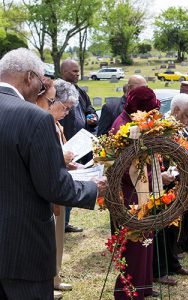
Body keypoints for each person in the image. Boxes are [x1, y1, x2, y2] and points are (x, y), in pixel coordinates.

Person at [0, 48, 106, 300]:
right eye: (40, 79)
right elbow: (54, 187)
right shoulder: (34, 118)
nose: (40, 87)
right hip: (23, 248)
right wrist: (93, 188)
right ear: (29, 77)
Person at [111, 86, 161, 300]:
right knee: (134, 244)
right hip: (130, 193)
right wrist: (154, 178)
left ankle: (143, 286)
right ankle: (128, 292)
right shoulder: (125, 129)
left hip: (139, 189)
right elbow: (128, 169)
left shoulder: (132, 123)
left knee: (145, 243)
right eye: (150, 110)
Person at [37, 78, 81, 299]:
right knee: (49, 239)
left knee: (58, 239)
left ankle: (55, 277)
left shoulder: (56, 123)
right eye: (63, 107)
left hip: (60, 185)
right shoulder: (40, 122)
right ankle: (49, 281)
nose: (65, 112)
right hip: (49, 190)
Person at [153, 93, 188, 286]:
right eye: (187, 115)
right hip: (163, 186)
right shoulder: (162, 128)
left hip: (178, 185)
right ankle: (159, 270)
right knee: (162, 228)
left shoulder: (179, 127)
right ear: (176, 110)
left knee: (174, 229)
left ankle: (172, 262)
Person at [60, 59, 99, 233]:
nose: (77, 74)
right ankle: (61, 222)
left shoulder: (80, 91)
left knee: (74, 179)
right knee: (64, 182)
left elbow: (89, 109)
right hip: (65, 143)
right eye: (73, 71)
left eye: (78, 71)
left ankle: (65, 221)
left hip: (81, 144)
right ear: (63, 72)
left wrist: (92, 117)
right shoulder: (58, 90)